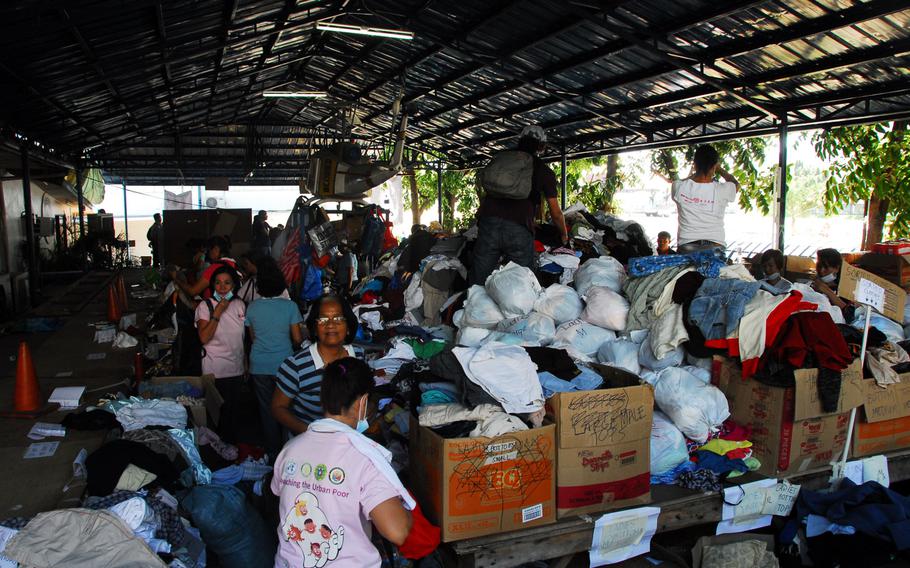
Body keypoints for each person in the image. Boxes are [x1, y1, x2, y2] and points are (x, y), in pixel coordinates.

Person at [271, 358, 413, 567]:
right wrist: (407, 514)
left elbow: (282, 494)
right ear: (363, 402)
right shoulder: (365, 457)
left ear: (322, 400)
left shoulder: (290, 449)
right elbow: (397, 532)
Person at [470, 125, 568, 285]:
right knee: (522, 282)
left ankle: (474, 306)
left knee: (479, 278)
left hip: (489, 223)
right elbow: (556, 212)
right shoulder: (543, 170)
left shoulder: (501, 161)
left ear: (520, 140)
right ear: (542, 146)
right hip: (518, 227)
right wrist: (564, 234)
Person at [272, 295, 364, 435]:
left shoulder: (358, 356)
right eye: (323, 319)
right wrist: (311, 433)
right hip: (308, 447)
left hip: (347, 442)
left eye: (338, 318)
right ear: (314, 329)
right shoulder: (295, 366)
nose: (331, 324)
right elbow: (278, 407)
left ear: (349, 328)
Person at [245, 256, 303, 457]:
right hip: (285, 365)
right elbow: (297, 339)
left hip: (259, 365)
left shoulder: (252, 308)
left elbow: (253, 338)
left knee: (267, 411)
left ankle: (273, 454)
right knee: (287, 409)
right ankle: (290, 452)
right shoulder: (290, 307)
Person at [195, 264, 246, 442]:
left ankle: (232, 453)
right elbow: (203, 338)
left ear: (234, 285)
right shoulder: (205, 306)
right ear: (212, 285)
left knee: (234, 416)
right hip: (214, 371)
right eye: (218, 283)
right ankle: (217, 455)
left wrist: (245, 364)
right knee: (217, 418)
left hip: (237, 369)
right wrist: (217, 312)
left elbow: (243, 339)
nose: (222, 288)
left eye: (227, 283)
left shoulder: (240, 305)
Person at [672, 145, 740, 253]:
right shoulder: (723, 189)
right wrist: (719, 169)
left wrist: (696, 173)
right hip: (715, 246)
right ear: (714, 166)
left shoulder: (678, 187)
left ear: (694, 164)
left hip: (686, 246)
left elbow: (682, 181)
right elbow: (735, 183)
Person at [170, 236, 237, 299]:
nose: (208, 252)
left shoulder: (214, 267)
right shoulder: (233, 264)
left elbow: (192, 291)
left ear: (216, 249)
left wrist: (176, 279)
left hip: (213, 307)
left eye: (209, 250)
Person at [812, 248, 854, 320]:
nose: (821, 270)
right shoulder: (812, 285)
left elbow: (849, 314)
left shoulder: (846, 289)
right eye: (819, 266)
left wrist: (826, 291)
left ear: (837, 268)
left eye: (826, 267)